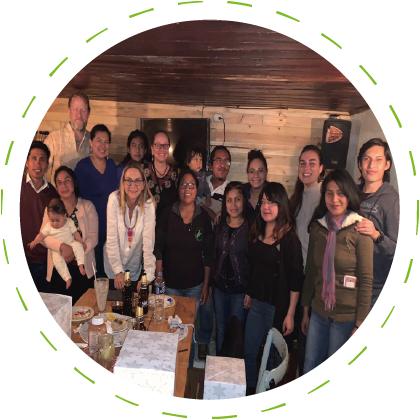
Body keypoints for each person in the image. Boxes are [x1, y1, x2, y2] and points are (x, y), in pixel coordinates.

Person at [301, 169, 373, 375]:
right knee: (309, 367)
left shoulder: (360, 229)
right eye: (329, 193)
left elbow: (366, 280)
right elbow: (311, 272)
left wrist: (359, 325)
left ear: (349, 195)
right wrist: (305, 311)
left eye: (340, 193)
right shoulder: (318, 228)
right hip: (318, 312)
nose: (334, 200)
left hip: (346, 318)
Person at [244, 182, 304, 395]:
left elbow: (296, 280)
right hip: (257, 303)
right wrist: (249, 292)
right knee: (249, 351)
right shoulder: (257, 230)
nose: (266, 207)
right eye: (263, 202)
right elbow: (253, 267)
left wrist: (290, 314)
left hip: (277, 307)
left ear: (282, 205)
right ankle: (250, 391)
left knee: (270, 358)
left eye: (271, 202)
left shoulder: (290, 240)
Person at [154, 169, 213, 366]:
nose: (187, 189)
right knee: (170, 328)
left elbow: (208, 254)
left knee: (187, 329)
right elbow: (159, 248)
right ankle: (169, 368)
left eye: (191, 185)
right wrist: (159, 277)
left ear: (197, 189)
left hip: (195, 286)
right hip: (170, 284)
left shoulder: (203, 218)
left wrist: (205, 286)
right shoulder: (167, 213)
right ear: (178, 188)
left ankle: (186, 369)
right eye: (183, 185)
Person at [289, 144, 324, 376]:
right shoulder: (295, 198)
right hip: (295, 275)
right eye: (303, 163)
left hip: (314, 279)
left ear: (321, 168)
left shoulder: (326, 198)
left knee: (307, 340)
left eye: (312, 163)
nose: (306, 168)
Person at [42, 166, 98, 303]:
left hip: (83, 269)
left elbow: (93, 237)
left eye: (67, 180)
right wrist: (62, 247)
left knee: (85, 309)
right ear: (56, 187)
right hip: (59, 270)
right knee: (61, 311)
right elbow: (44, 237)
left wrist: (74, 251)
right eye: (59, 182)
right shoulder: (50, 209)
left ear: (74, 182)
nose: (64, 186)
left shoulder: (87, 206)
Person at [355, 138, 399, 311]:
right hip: (348, 284)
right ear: (360, 164)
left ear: (387, 165)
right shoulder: (351, 194)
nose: (371, 165)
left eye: (378, 160)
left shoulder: (393, 201)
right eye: (367, 159)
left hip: (376, 289)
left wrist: (376, 235)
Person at [197, 145, 231, 359]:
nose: (222, 164)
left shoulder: (231, 192)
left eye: (226, 161)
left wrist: (206, 209)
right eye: (218, 160)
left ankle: (206, 340)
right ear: (210, 164)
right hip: (195, 248)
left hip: (217, 253)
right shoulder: (200, 183)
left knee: (209, 299)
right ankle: (199, 338)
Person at [104, 161, 156, 292]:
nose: (133, 185)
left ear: (143, 184)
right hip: (112, 267)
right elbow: (111, 239)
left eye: (137, 181)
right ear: (122, 183)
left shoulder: (149, 205)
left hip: (133, 268)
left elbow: (148, 243)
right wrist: (118, 271)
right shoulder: (114, 199)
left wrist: (148, 275)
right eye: (128, 180)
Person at [74, 124, 118, 278]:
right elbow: (76, 200)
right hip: (90, 233)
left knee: (110, 275)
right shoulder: (82, 167)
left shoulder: (112, 165)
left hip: (111, 231)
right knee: (94, 276)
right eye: (99, 141)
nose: (103, 145)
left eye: (106, 142)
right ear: (91, 142)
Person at [212, 182, 249, 354]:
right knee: (220, 329)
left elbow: (253, 262)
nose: (233, 205)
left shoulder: (250, 227)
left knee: (236, 333)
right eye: (229, 200)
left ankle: (234, 368)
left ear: (244, 201)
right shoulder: (220, 224)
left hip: (240, 291)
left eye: (237, 199)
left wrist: (250, 291)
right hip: (219, 289)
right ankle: (218, 366)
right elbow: (214, 255)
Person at [20, 141, 59, 292]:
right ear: (26, 161)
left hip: (44, 262)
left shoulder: (53, 194)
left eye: (42, 159)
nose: (38, 164)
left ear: (47, 164)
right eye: (34, 158)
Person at [29, 198, 86, 287]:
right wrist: (34, 242)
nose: (55, 224)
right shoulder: (48, 226)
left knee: (78, 246)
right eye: (52, 220)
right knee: (57, 262)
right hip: (56, 251)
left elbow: (76, 233)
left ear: (64, 215)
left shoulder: (69, 222)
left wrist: (82, 242)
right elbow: (41, 235)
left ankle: (81, 265)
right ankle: (67, 278)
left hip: (71, 243)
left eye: (57, 220)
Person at [44, 91, 91, 181]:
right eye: (75, 109)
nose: (79, 115)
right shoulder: (54, 138)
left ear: (88, 113)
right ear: (69, 111)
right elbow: (39, 168)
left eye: (83, 110)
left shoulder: (94, 141)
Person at [143, 131, 179, 221]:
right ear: (152, 148)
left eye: (165, 145)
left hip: (170, 225)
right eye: (158, 145)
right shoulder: (141, 170)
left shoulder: (177, 173)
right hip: (145, 224)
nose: (162, 149)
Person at [243, 149, 268, 222]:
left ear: (266, 172)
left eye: (260, 171)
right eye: (252, 171)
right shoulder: (241, 191)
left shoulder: (275, 193)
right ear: (247, 173)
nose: (256, 175)